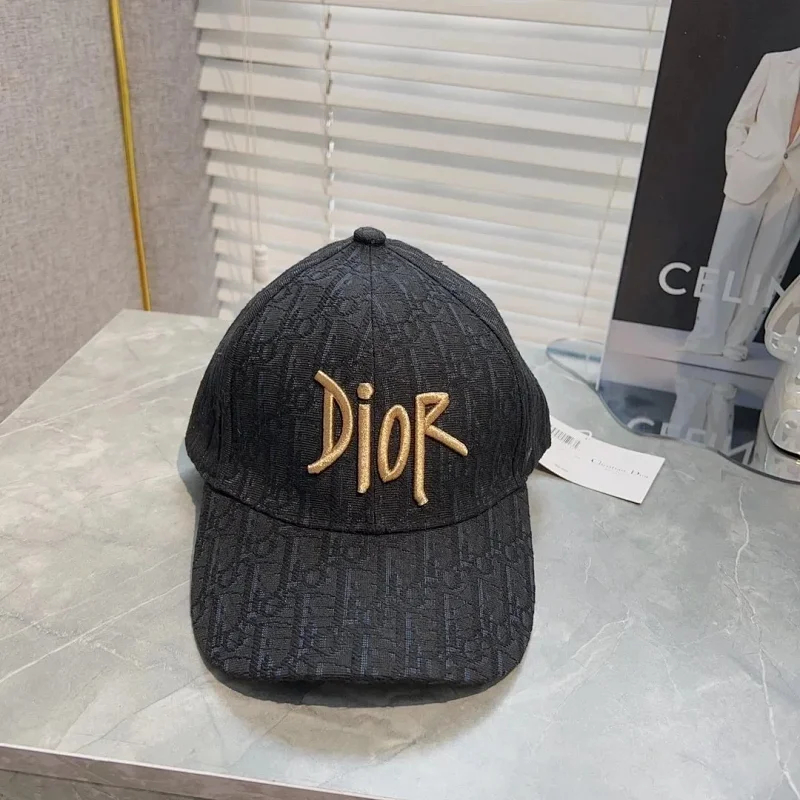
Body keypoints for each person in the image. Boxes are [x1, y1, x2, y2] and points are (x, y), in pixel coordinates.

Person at [684, 47, 800, 361]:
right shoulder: (776, 63)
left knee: (767, 269)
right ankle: (706, 338)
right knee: (725, 259)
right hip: (751, 172)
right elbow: (740, 121)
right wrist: (736, 165)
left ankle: (737, 342)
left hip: (794, 185)